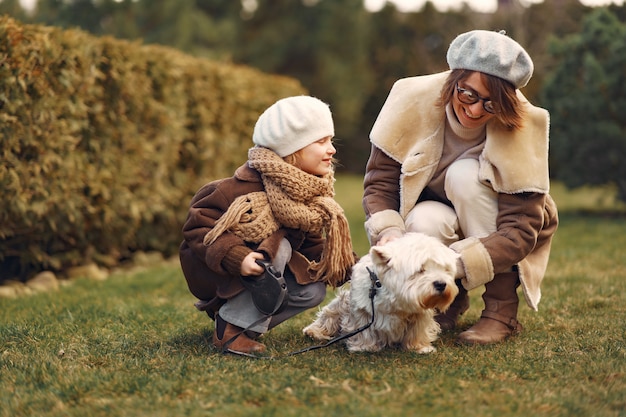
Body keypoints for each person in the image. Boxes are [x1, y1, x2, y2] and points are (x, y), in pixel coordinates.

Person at [362, 30, 559, 345]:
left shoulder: (523, 124)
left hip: (496, 217)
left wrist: (458, 262)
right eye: (468, 94)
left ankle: (501, 311)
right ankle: (446, 304)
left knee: (464, 174)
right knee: (423, 220)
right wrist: (390, 234)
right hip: (438, 209)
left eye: (491, 104)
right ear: (452, 81)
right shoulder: (410, 98)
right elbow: (380, 183)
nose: (476, 110)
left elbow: (519, 228)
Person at [179, 96, 356, 354]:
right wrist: (237, 257)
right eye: (321, 141)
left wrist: (357, 267)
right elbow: (197, 228)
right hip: (222, 274)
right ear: (291, 150)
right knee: (280, 246)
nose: (332, 149)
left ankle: (243, 327)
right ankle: (229, 329)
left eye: (330, 140)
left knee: (313, 291)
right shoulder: (235, 189)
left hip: (264, 277)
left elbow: (313, 246)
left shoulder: (307, 194)